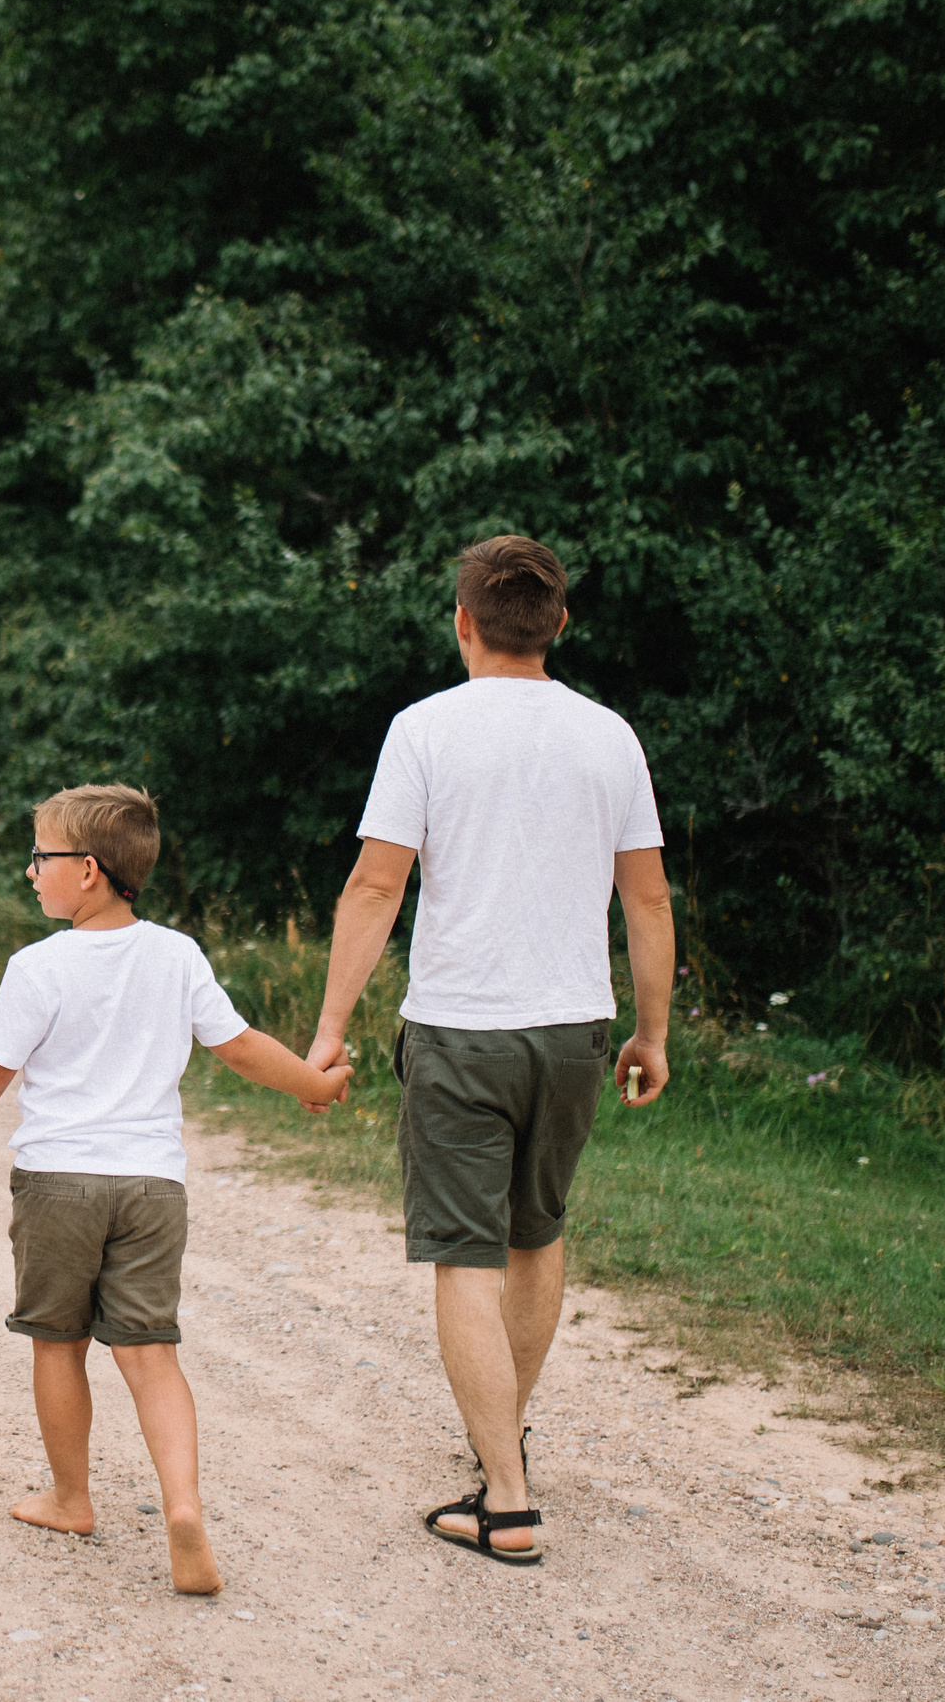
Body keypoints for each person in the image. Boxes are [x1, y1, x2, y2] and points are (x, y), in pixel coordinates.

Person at [0, 784, 350, 1596]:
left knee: (58, 1343)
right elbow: (237, 1048)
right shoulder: (178, 954)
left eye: (41, 856)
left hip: (60, 1182)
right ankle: (184, 1505)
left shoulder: (40, 966)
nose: (30, 872)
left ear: (87, 870)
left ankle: (71, 1496)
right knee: (151, 1354)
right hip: (151, 1186)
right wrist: (314, 1080)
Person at [303, 534, 674, 1567]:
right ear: (558, 624)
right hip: (571, 1029)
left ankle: (503, 1498)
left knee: (463, 1249)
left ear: (462, 620)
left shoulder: (423, 728)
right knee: (534, 1234)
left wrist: (329, 1026)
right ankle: (500, 1449)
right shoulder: (609, 736)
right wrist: (649, 1030)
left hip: (459, 1028)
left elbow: (377, 886)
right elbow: (645, 896)